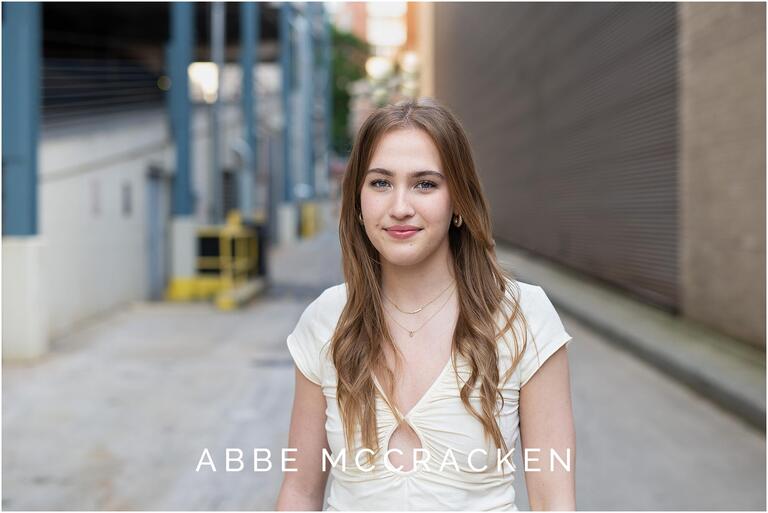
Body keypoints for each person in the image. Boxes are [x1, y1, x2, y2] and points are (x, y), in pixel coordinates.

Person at [276, 98, 576, 511]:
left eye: (425, 184)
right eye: (380, 183)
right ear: (358, 201)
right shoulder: (326, 320)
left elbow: (554, 502)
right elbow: (300, 492)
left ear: (458, 202)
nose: (400, 207)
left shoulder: (524, 317)